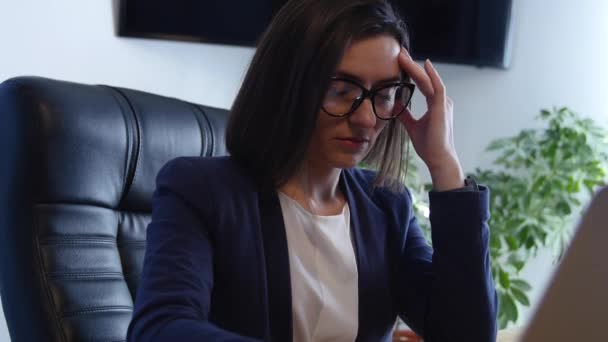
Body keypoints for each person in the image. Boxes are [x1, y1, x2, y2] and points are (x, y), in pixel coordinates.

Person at [127, 0, 498, 341]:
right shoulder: (200, 191)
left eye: (385, 94)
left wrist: (444, 164)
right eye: (341, 90)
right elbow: (160, 328)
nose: (367, 118)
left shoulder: (386, 205)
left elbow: (467, 334)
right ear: (286, 85)